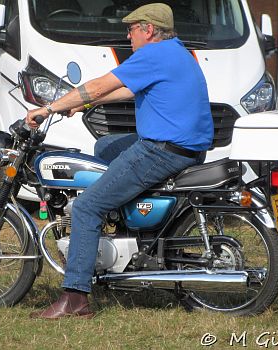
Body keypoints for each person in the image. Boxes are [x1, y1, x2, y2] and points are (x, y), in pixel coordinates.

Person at [26, 3, 214, 319]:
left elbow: (100, 84)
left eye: (131, 29)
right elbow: (126, 90)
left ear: (149, 30)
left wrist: (50, 108)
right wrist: (85, 103)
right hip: (185, 146)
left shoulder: (153, 54)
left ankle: (75, 299)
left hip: (162, 151)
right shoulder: (176, 51)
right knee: (105, 148)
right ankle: (119, 225)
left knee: (87, 206)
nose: (127, 36)